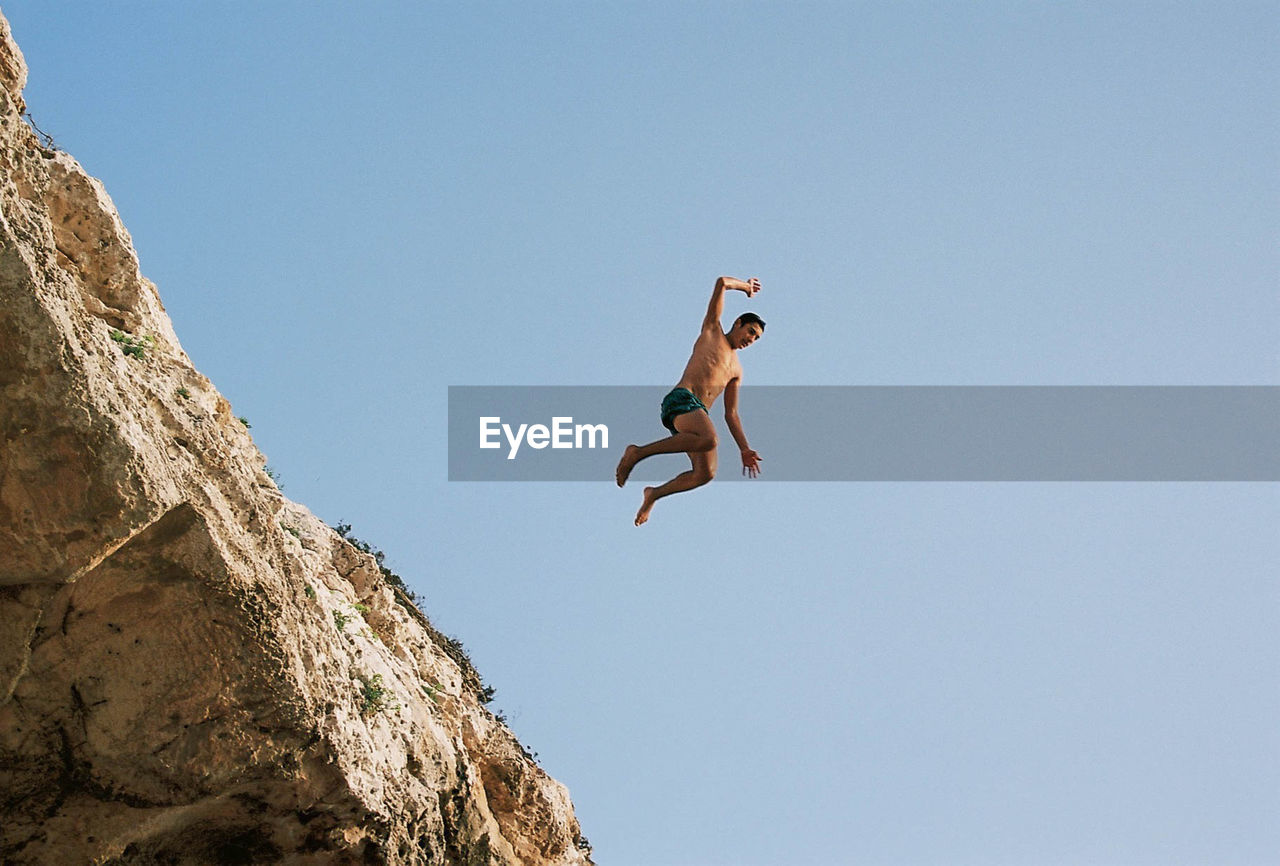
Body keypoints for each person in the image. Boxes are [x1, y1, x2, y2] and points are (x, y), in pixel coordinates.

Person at [615, 275, 765, 525]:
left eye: (756, 338)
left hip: (696, 416)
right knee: (709, 439)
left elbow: (731, 414)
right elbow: (721, 283)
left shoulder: (737, 370)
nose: (751, 339)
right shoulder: (712, 331)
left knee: (705, 474)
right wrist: (746, 288)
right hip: (681, 399)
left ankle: (653, 494)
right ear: (738, 323)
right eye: (750, 331)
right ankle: (637, 453)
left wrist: (744, 448)